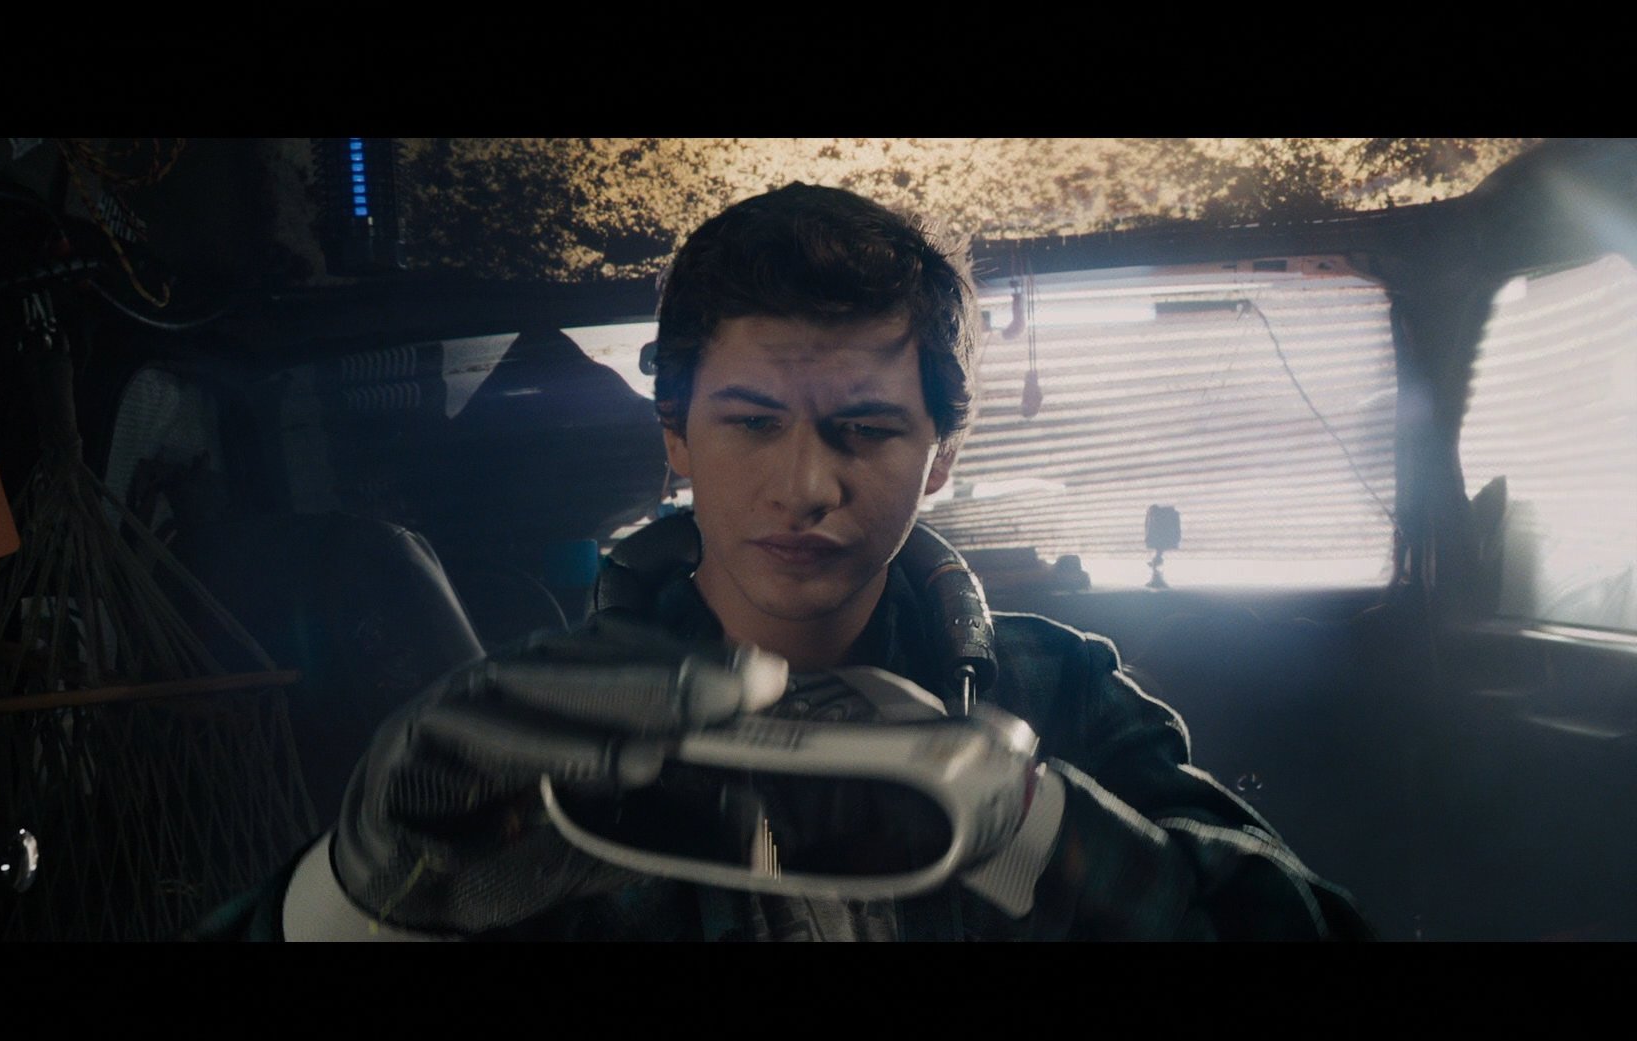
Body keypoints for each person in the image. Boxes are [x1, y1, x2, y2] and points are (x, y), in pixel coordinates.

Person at [204, 182, 1372, 941]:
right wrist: (353, 899)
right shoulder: (539, 729)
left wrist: (1031, 827)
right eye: (752, 422)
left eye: (865, 428)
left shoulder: (1059, 691)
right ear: (676, 438)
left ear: (943, 456)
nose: (806, 485)